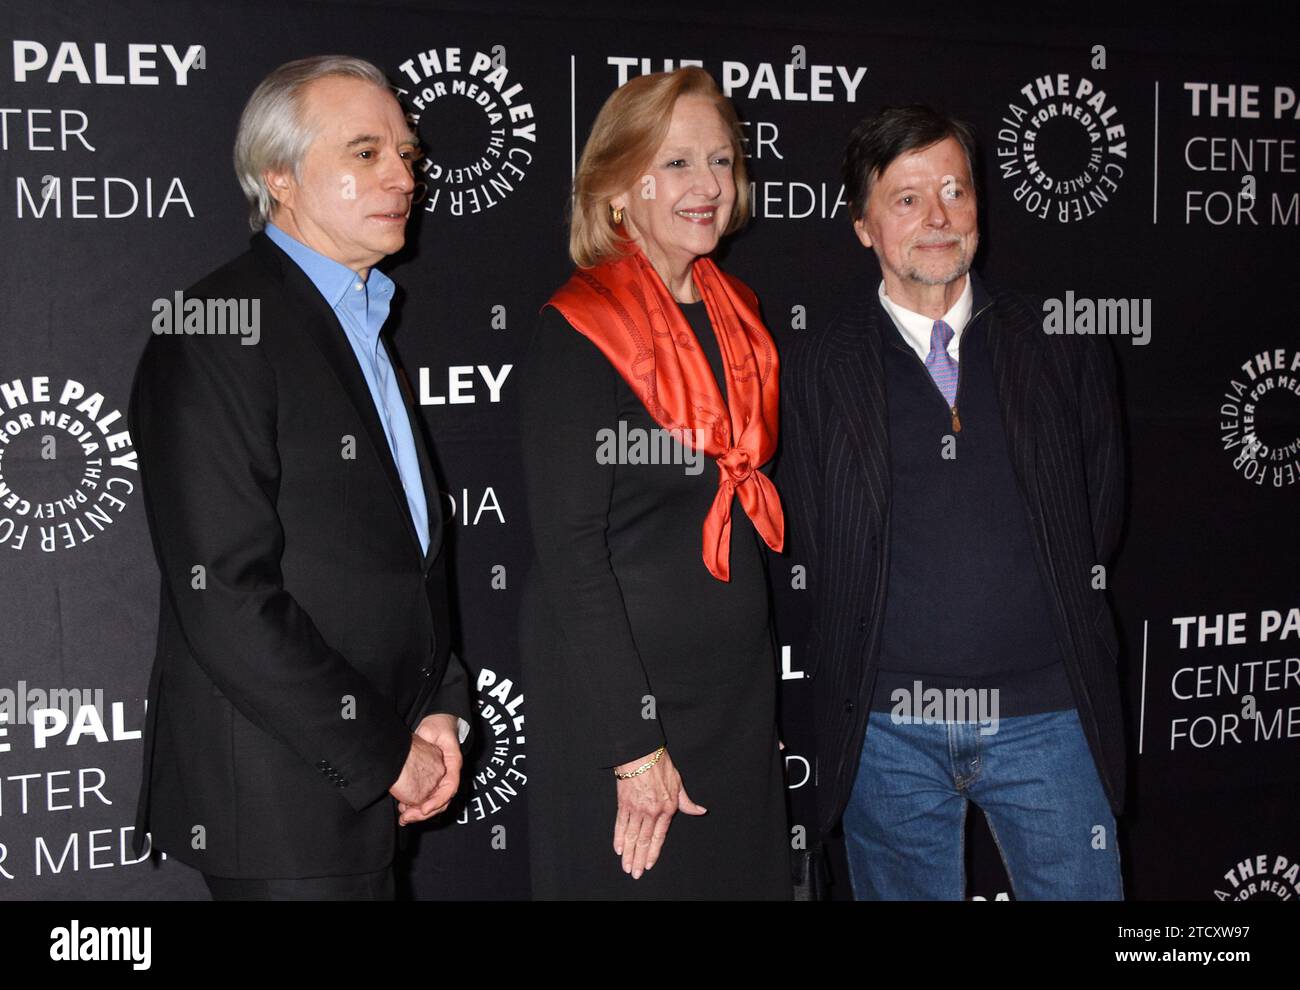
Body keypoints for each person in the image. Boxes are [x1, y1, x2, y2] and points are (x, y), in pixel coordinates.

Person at [129, 55, 471, 901]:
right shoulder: (215, 330)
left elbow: (403, 557)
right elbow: (227, 596)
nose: (402, 175)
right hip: (281, 798)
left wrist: (439, 705)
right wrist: (384, 752)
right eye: (364, 152)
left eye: (407, 154)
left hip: (375, 768)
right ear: (278, 176)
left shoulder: (361, 320)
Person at [780, 105, 1126, 900]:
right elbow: (813, 542)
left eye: (954, 191)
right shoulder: (815, 369)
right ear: (864, 224)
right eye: (906, 199)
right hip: (886, 734)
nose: (937, 218)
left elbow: (1096, 516)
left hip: (1050, 719)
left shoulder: (1062, 341)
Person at [518, 67, 791, 899]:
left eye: (720, 160)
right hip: (623, 704)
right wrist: (635, 745)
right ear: (615, 188)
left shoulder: (736, 310)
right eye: (676, 164)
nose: (708, 185)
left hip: (733, 699)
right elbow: (570, 552)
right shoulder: (577, 331)